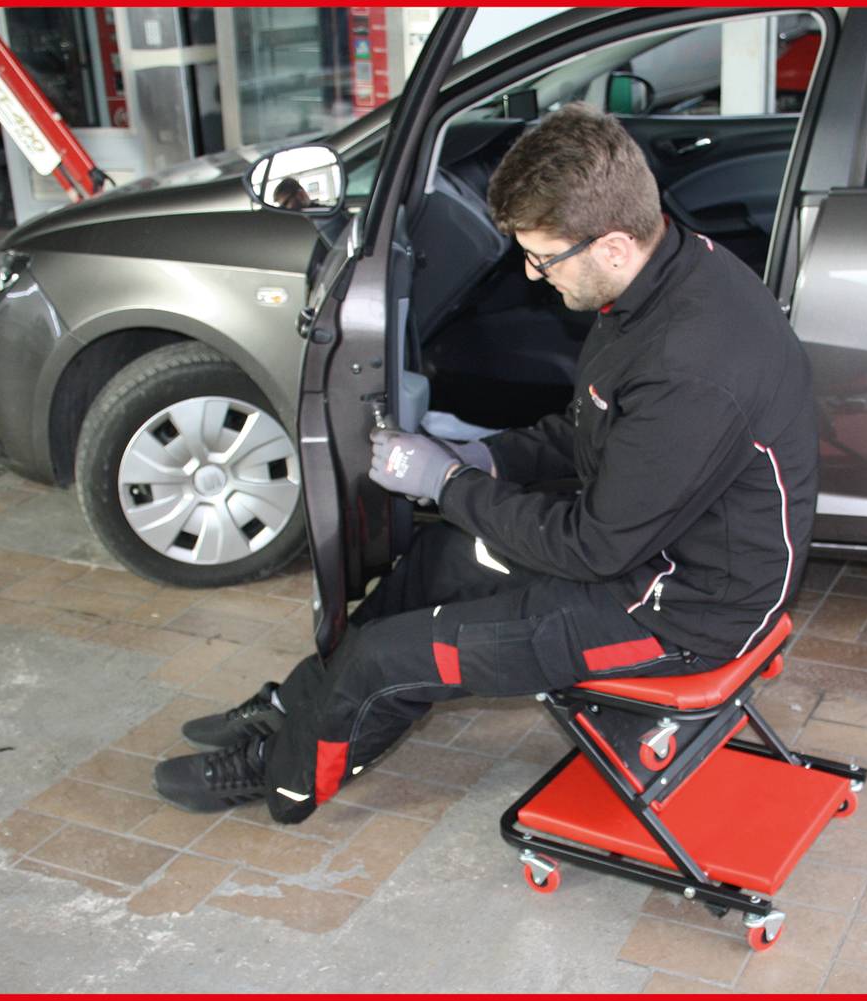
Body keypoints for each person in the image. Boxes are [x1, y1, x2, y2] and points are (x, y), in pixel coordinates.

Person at [153, 103, 819, 823]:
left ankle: (283, 772)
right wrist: (483, 457)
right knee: (437, 559)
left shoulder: (692, 365)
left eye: (543, 257)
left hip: (679, 612)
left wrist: (448, 481)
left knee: (388, 659)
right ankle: (299, 705)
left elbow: (592, 545)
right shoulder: (658, 283)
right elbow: (593, 429)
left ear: (616, 245)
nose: (533, 276)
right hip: (642, 556)